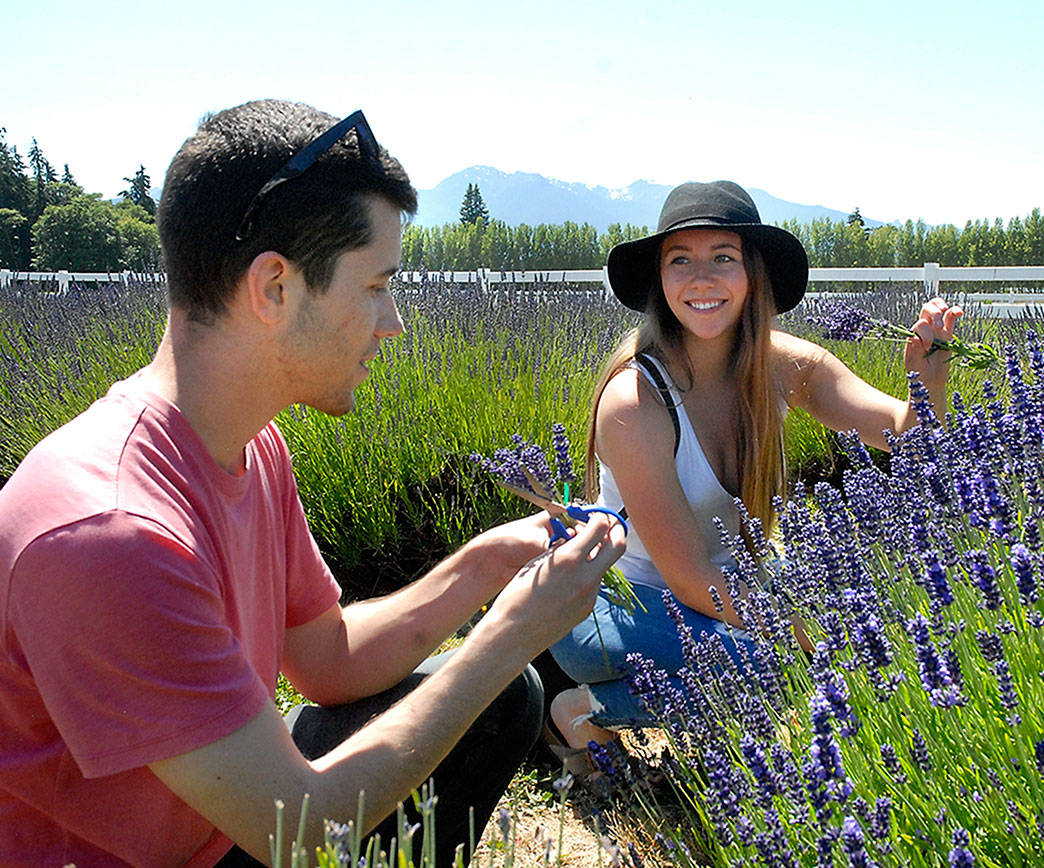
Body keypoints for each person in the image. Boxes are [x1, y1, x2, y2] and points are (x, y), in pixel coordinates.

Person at [0, 99, 625, 868]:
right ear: (274, 289)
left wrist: (486, 564)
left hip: (224, 823)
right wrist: (508, 636)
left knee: (506, 701)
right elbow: (296, 836)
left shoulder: (250, 446)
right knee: (495, 676)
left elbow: (326, 660)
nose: (393, 322)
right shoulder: (109, 531)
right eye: (374, 287)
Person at [547, 180, 961, 754]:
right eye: (680, 261)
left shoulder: (782, 365)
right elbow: (688, 577)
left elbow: (909, 439)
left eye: (723, 258)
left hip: (732, 587)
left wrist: (927, 380)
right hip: (617, 606)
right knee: (769, 670)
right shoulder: (635, 400)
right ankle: (580, 711)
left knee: (879, 620)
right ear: (660, 280)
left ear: (752, 275)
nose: (701, 278)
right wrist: (792, 629)